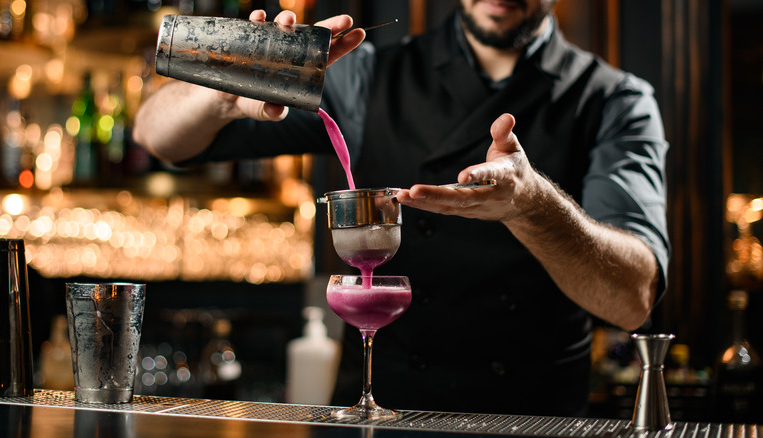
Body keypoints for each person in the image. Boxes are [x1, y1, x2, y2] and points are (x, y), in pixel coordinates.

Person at [133, 0, 670, 417]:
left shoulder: (615, 101)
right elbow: (157, 136)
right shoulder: (369, 73)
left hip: (531, 419)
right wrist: (222, 95)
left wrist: (533, 207)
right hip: (381, 417)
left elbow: (633, 299)